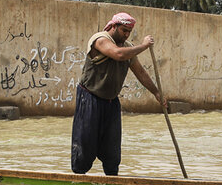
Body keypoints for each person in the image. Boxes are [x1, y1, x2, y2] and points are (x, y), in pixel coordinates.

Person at [70, 12, 166, 175]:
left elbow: (140, 72)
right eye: (123, 30)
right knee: (85, 144)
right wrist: (143, 46)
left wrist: (157, 93)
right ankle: (79, 178)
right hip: (90, 98)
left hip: (111, 102)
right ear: (114, 26)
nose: (126, 34)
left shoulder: (127, 48)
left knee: (112, 150)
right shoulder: (100, 39)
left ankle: (112, 181)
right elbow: (117, 54)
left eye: (129, 31)